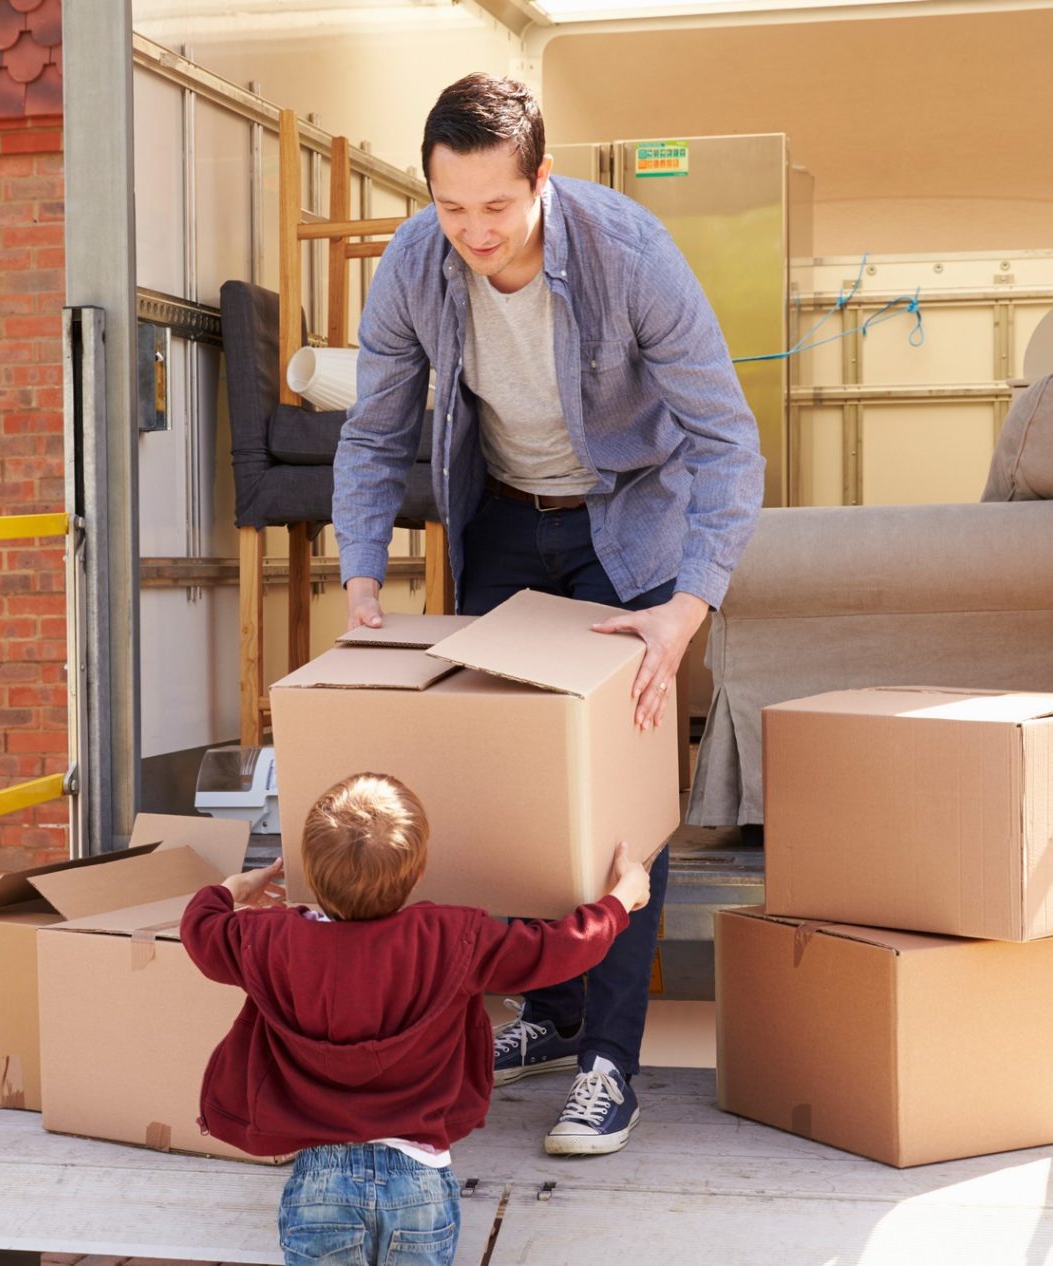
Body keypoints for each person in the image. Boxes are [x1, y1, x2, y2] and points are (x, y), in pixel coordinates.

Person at [332, 73, 764, 1155]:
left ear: (542, 181)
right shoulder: (412, 263)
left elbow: (727, 443)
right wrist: (359, 577)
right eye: (450, 206)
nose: (474, 232)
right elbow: (375, 431)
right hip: (501, 523)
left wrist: (687, 608)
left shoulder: (632, 256)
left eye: (496, 206)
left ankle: (611, 1061)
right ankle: (553, 1015)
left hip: (627, 537)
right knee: (506, 783)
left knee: (618, 795)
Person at [181, 773, 650, 1265]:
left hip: (316, 1183)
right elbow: (559, 949)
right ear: (419, 868)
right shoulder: (454, 937)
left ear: (311, 875)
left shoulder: (270, 941)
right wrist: (619, 902)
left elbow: (201, 930)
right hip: (421, 1181)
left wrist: (233, 888)